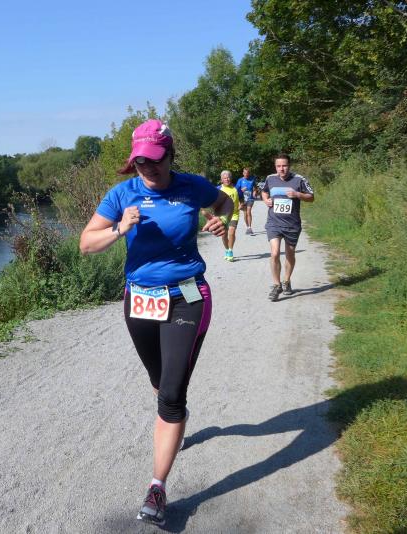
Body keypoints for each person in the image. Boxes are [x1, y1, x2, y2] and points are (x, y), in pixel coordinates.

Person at [79, 119, 232, 526]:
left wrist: (223, 221)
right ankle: (174, 412)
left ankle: (157, 487)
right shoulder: (122, 194)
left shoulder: (191, 186)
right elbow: (86, 243)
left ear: (170, 155)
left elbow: (223, 203)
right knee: (159, 380)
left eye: (155, 159)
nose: (147, 167)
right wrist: (119, 228)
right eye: (140, 161)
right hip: (141, 301)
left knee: (170, 394)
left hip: (187, 297)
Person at [260, 153, 315, 301]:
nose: (281, 169)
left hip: (292, 225)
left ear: (289, 166)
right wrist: (266, 200)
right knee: (275, 253)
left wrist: (297, 194)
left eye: (284, 166)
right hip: (274, 223)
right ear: (275, 167)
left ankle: (286, 280)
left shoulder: (299, 179)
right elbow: (264, 191)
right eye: (278, 166)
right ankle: (276, 285)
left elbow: (311, 197)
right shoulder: (270, 178)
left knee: (290, 255)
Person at [213, 170, 241, 261]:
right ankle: (227, 249)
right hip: (223, 215)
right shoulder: (218, 189)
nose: (227, 179)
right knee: (224, 235)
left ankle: (230, 250)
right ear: (221, 180)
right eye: (225, 178)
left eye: (228, 177)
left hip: (234, 214)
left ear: (231, 178)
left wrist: (242, 204)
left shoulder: (236, 188)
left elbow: (242, 198)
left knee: (232, 232)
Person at [236, 168, 257, 234]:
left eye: (247, 173)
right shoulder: (240, 180)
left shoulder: (252, 180)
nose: (246, 174)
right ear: (243, 173)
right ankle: (247, 227)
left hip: (250, 198)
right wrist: (241, 190)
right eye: (245, 173)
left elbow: (255, 188)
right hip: (243, 199)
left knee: (248, 212)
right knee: (245, 213)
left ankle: (250, 227)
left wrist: (254, 192)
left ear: (249, 173)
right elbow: (236, 190)